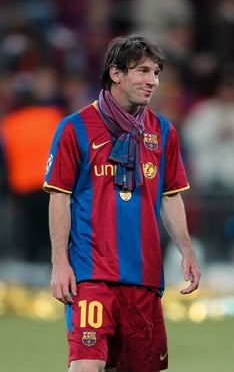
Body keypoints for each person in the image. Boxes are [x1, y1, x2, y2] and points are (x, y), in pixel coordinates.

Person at [43, 34, 201, 372]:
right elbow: (60, 196)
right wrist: (59, 262)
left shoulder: (163, 132)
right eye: (143, 71)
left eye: (156, 73)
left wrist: (186, 250)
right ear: (116, 73)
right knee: (87, 365)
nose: (153, 81)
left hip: (143, 277)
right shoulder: (75, 128)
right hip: (91, 273)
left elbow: (170, 196)